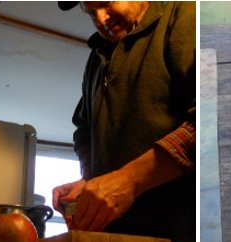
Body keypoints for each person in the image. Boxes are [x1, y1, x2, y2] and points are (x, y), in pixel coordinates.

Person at [52, 1, 195, 241]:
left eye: (105, 3)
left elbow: (204, 121)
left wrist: (129, 180)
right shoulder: (96, 58)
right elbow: (83, 131)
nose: (100, 18)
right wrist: (90, 181)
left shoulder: (182, 15)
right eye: (90, 12)